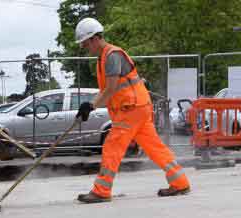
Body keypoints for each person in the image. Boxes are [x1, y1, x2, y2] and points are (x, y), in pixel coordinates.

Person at [73, 17, 190, 204]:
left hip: (130, 110)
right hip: (139, 107)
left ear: (95, 38)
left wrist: (91, 105)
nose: (85, 48)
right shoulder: (105, 56)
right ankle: (180, 182)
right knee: (155, 148)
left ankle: (101, 190)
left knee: (112, 147)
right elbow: (109, 90)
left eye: (85, 43)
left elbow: (110, 89)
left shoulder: (111, 56)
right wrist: (89, 106)